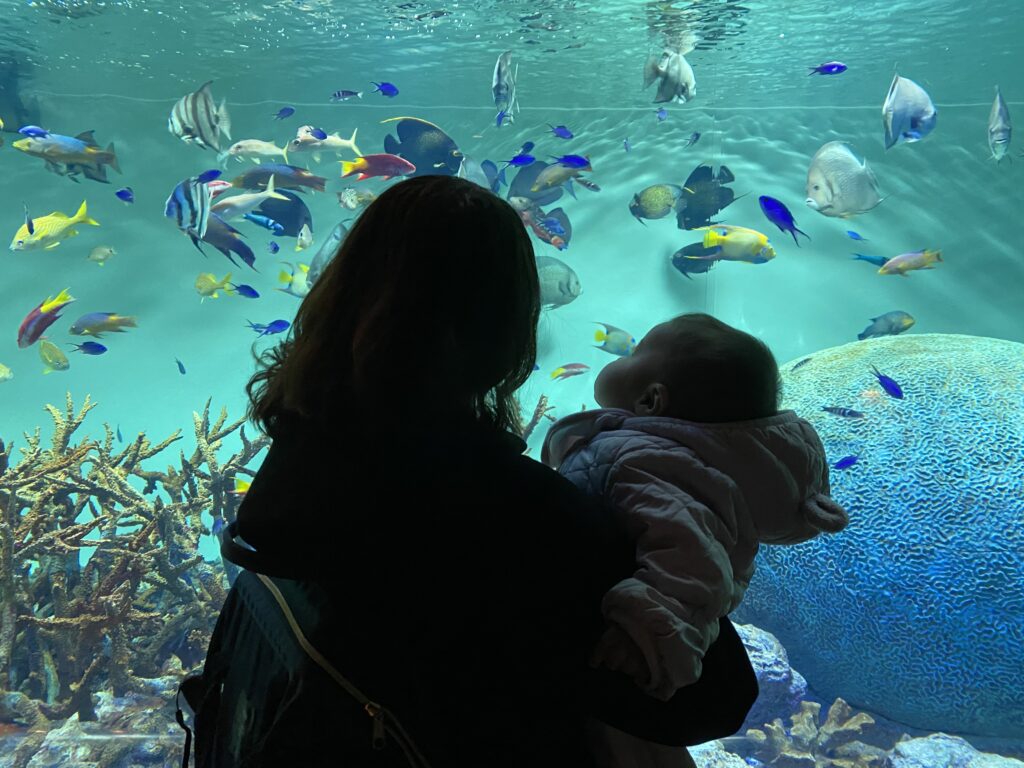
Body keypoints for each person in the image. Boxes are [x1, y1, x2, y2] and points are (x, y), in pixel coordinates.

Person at [183, 177, 758, 768]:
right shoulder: (518, 517)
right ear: (504, 328)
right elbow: (711, 701)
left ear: (341, 294)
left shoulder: (299, 462)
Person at [542, 313, 850, 767]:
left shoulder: (645, 462)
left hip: (627, 660)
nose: (626, 352)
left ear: (651, 400)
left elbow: (692, 562)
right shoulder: (662, 453)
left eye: (636, 350)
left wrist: (649, 631)